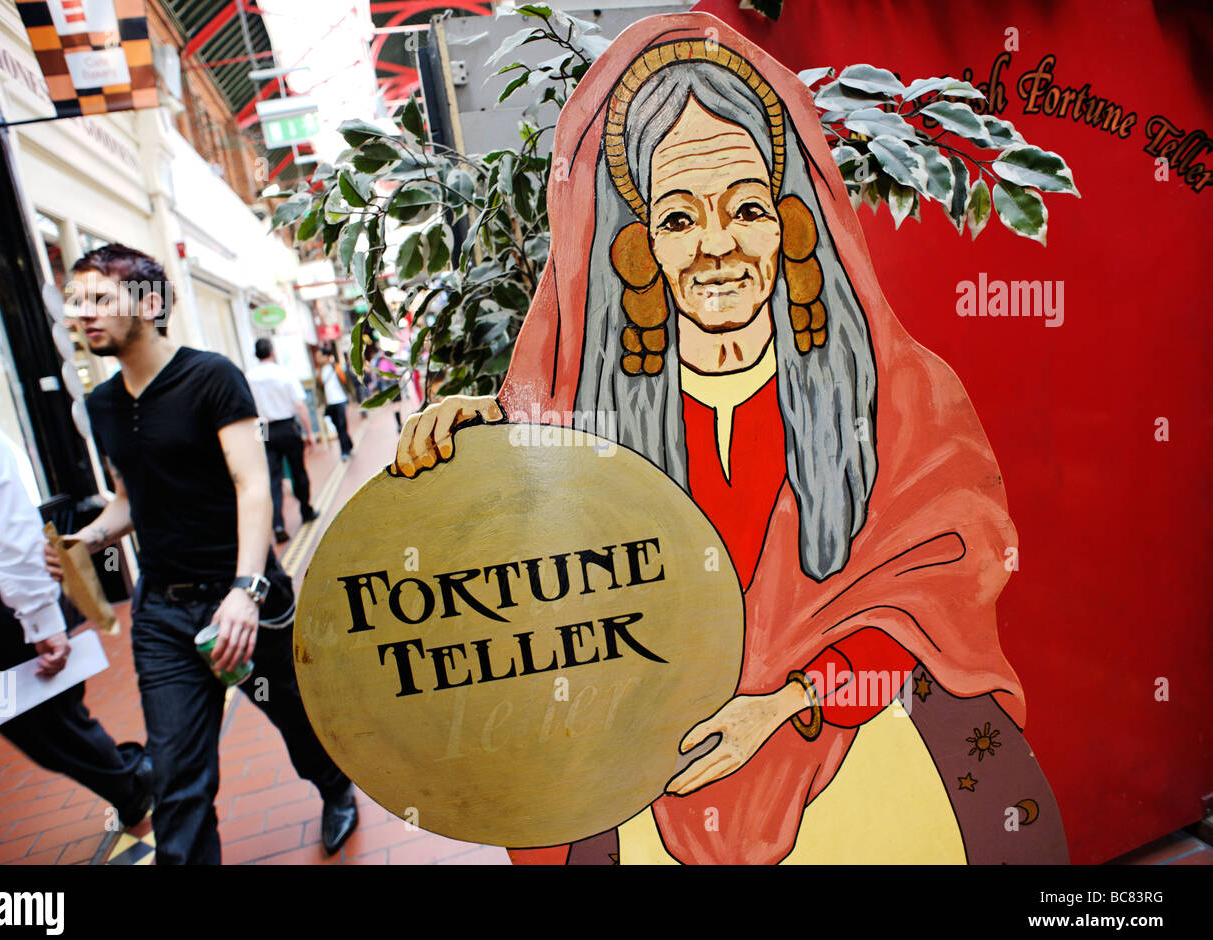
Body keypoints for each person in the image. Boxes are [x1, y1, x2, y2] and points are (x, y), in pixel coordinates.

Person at [389, 15, 1067, 865]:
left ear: (792, 220)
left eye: (746, 207)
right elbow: (531, 593)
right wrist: (477, 444)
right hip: (649, 784)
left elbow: (944, 594)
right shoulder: (577, 420)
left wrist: (785, 701)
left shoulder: (904, 395)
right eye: (677, 219)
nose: (716, 245)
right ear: (635, 245)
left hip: (861, 769)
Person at [49, 244, 356, 865]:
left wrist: (246, 589)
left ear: (151, 303)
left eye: (100, 299)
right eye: (76, 302)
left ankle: (334, 786)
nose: (83, 314)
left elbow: (252, 486)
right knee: (179, 781)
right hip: (162, 613)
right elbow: (129, 499)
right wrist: (89, 540)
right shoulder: (99, 406)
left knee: (298, 723)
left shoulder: (211, 377)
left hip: (246, 604)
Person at [0, 312, 153, 864]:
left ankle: (128, 785)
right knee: (57, 729)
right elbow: (11, 541)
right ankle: (130, 786)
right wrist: (45, 626)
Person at [247, 338, 318, 544]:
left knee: (273, 477)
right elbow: (300, 406)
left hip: (265, 428)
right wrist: (309, 433)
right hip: (287, 426)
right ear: (271, 351)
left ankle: (278, 524)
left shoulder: (249, 377)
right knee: (298, 469)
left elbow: (249, 410)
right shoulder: (284, 373)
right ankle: (306, 510)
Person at [316, 345, 353, 461]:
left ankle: (344, 452)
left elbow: (347, 382)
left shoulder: (336, 368)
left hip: (340, 400)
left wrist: (351, 397)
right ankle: (349, 444)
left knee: (342, 426)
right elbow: (319, 390)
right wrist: (320, 404)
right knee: (338, 426)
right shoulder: (319, 372)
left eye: (319, 356)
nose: (317, 359)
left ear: (326, 356)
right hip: (329, 404)